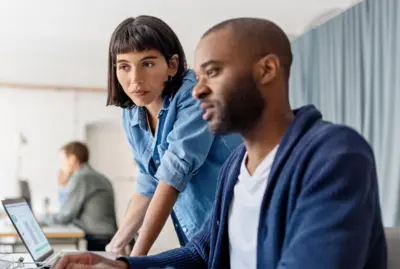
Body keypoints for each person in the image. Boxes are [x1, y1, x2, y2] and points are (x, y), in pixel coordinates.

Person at [53, 17, 387, 269]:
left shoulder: (334, 154)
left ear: (267, 70)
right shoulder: (234, 168)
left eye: (212, 73)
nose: (196, 91)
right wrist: (121, 264)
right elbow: (202, 251)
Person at [104, 15, 242, 256]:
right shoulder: (132, 113)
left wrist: (135, 259)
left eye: (147, 63)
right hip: (201, 241)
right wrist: (115, 247)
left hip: (239, 230)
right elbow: (149, 181)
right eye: (124, 66)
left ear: (172, 65)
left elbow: (172, 174)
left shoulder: (196, 95)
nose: (135, 79)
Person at [41, 141, 118, 251]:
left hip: (97, 239)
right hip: (106, 236)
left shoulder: (81, 177)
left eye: (63, 161)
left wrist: (39, 219)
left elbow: (65, 216)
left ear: (72, 159)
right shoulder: (95, 175)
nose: (62, 166)